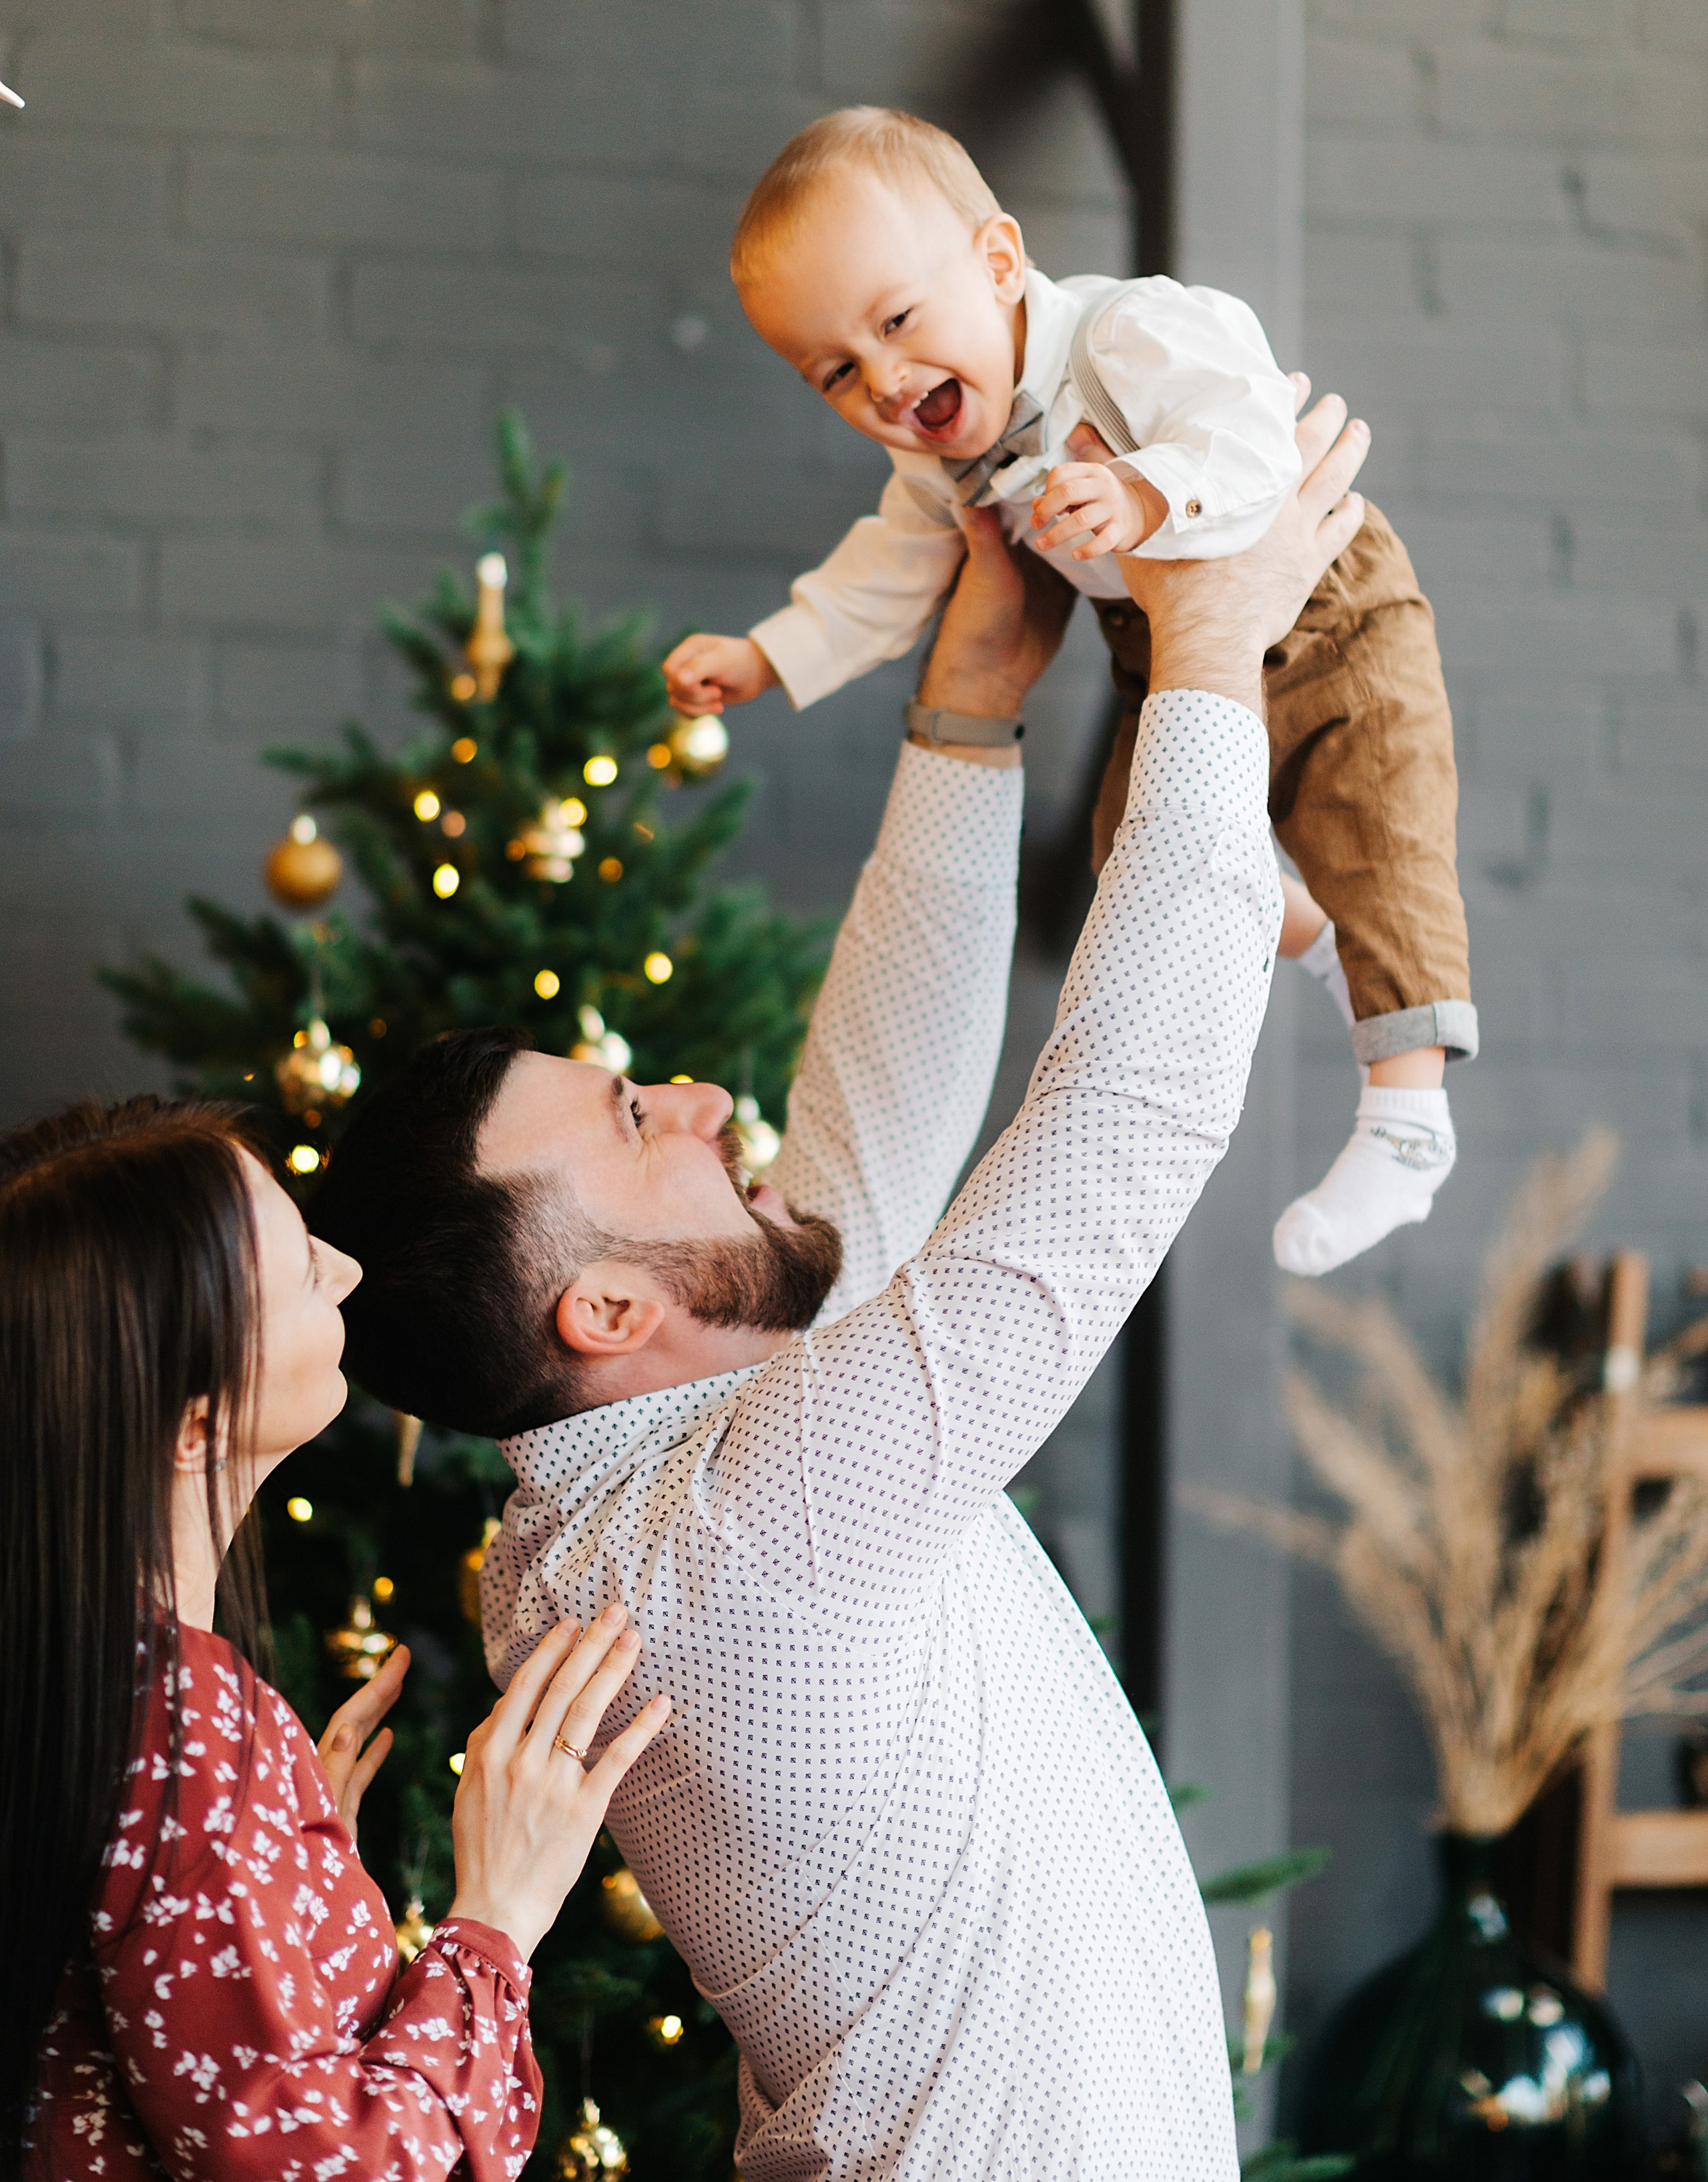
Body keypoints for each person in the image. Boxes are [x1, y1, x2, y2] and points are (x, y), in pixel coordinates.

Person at [310, 396, 1368, 2182]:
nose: (712, 1100)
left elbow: (869, 1119)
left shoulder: (637, 1485)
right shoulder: (739, 1530)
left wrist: (968, 704)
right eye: (644, 1119)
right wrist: (1205, 643)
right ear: (606, 1312)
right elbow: (1123, 1124)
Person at [663, 105, 1476, 1277]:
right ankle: (1334, 953)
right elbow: (887, 572)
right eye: (837, 370)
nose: (886, 380)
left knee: (1380, 833)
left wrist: (1146, 498)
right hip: (1163, 646)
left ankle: (1407, 1124)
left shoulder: (1124, 334)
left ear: (997, 263)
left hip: (1327, 602)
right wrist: (770, 652)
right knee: (1133, 857)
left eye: (898, 320)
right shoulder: (937, 457)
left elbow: (1254, 429)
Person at [1, 1095, 671, 2182]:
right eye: (305, 1269)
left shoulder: (93, 1689)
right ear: (195, 1421)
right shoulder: (180, 1720)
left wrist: (282, 1886)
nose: (348, 1271)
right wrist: (494, 1922)